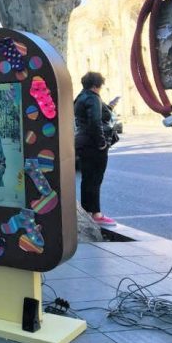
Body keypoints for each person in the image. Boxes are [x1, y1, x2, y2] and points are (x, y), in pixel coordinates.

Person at [74, 71, 117, 227]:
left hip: (82, 143)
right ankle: (96, 214)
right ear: (96, 85)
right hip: (93, 144)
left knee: (87, 179)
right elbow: (94, 122)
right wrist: (102, 143)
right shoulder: (93, 98)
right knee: (95, 179)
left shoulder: (80, 98)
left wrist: (109, 107)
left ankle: (87, 211)